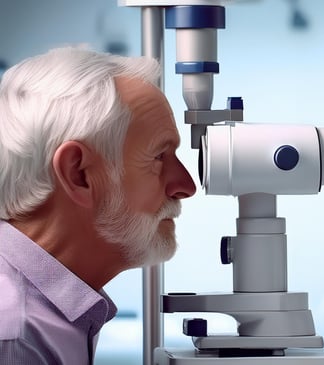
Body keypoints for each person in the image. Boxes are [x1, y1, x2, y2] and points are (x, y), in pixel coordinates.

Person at [0, 47, 197, 364]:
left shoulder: (47, 315)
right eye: (159, 157)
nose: (186, 186)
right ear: (79, 174)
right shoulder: (16, 338)